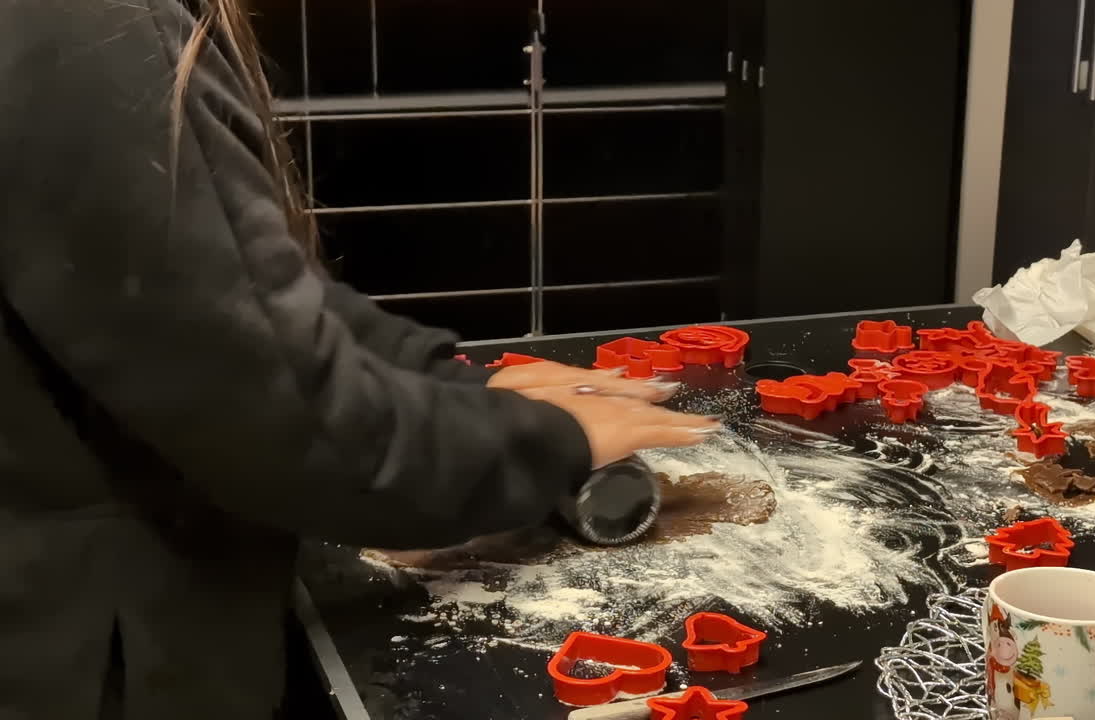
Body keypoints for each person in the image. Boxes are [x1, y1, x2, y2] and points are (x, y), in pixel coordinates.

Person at [0, 1, 718, 718]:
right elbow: (280, 423)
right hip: (81, 662)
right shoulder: (82, 25)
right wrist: (549, 444)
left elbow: (239, 294)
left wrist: (451, 380)